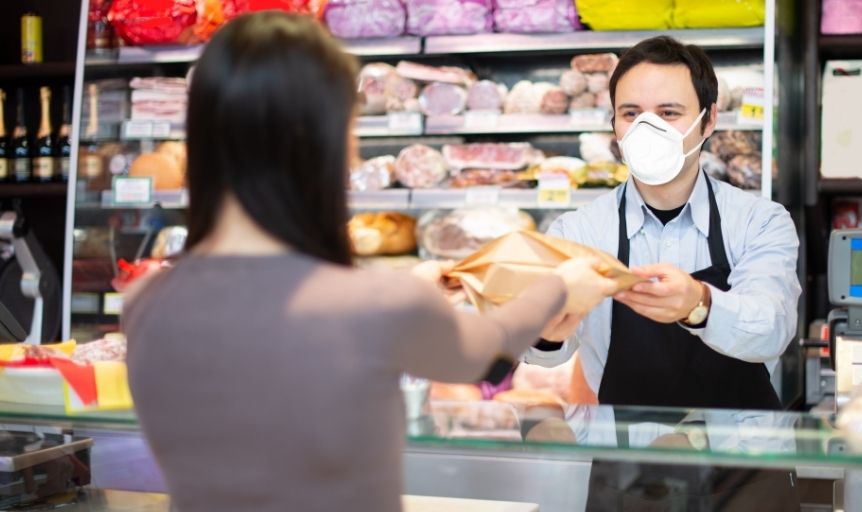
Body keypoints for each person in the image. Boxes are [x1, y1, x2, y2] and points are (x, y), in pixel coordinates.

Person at [121, 12, 618, 512]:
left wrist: (408, 292)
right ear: (318, 142)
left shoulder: (147, 300)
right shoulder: (373, 306)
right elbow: (487, 351)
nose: (354, 154)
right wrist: (559, 287)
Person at [528, 36, 802, 411]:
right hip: (624, 445)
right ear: (614, 124)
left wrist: (699, 304)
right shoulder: (576, 232)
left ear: (709, 120)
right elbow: (543, 356)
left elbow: (772, 331)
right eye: (631, 114)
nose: (648, 128)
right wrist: (544, 332)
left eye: (669, 113)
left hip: (741, 446)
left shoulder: (760, 221)